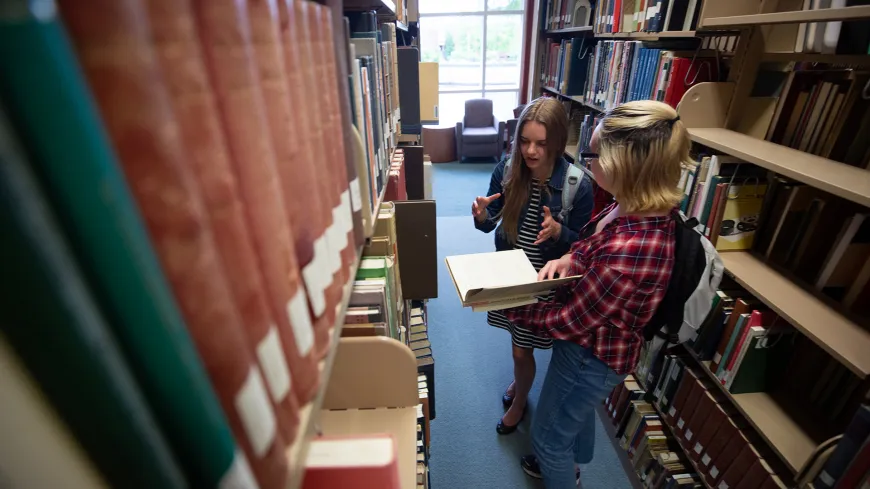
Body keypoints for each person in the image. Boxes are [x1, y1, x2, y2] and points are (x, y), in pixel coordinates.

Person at [504, 100, 688, 488]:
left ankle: (561, 468)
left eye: (597, 153)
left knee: (548, 439)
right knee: (575, 415)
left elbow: (568, 321)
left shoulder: (630, 252)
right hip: (595, 345)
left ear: (627, 165)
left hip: (591, 355)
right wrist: (573, 256)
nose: (588, 161)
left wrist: (509, 306)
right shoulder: (635, 208)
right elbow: (595, 241)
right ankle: (571, 467)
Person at [472, 97, 594, 435]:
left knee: (521, 350)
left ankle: (520, 398)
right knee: (518, 345)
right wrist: (482, 216)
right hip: (510, 275)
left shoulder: (578, 186)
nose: (530, 151)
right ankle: (520, 385)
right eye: (524, 141)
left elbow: (584, 248)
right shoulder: (507, 170)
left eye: (541, 143)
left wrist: (559, 232)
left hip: (541, 284)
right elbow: (490, 221)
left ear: (555, 142)